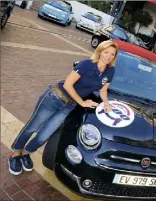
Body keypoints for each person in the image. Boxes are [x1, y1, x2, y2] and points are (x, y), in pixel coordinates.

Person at [9, 40, 118, 175]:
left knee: (45, 134)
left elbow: (103, 90)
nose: (108, 56)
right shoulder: (86, 64)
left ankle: (26, 153)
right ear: (100, 51)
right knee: (33, 127)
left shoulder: (110, 71)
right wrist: (82, 102)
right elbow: (67, 84)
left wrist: (106, 103)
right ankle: (15, 153)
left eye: (112, 54)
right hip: (55, 97)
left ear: (114, 57)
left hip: (69, 105)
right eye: (106, 52)